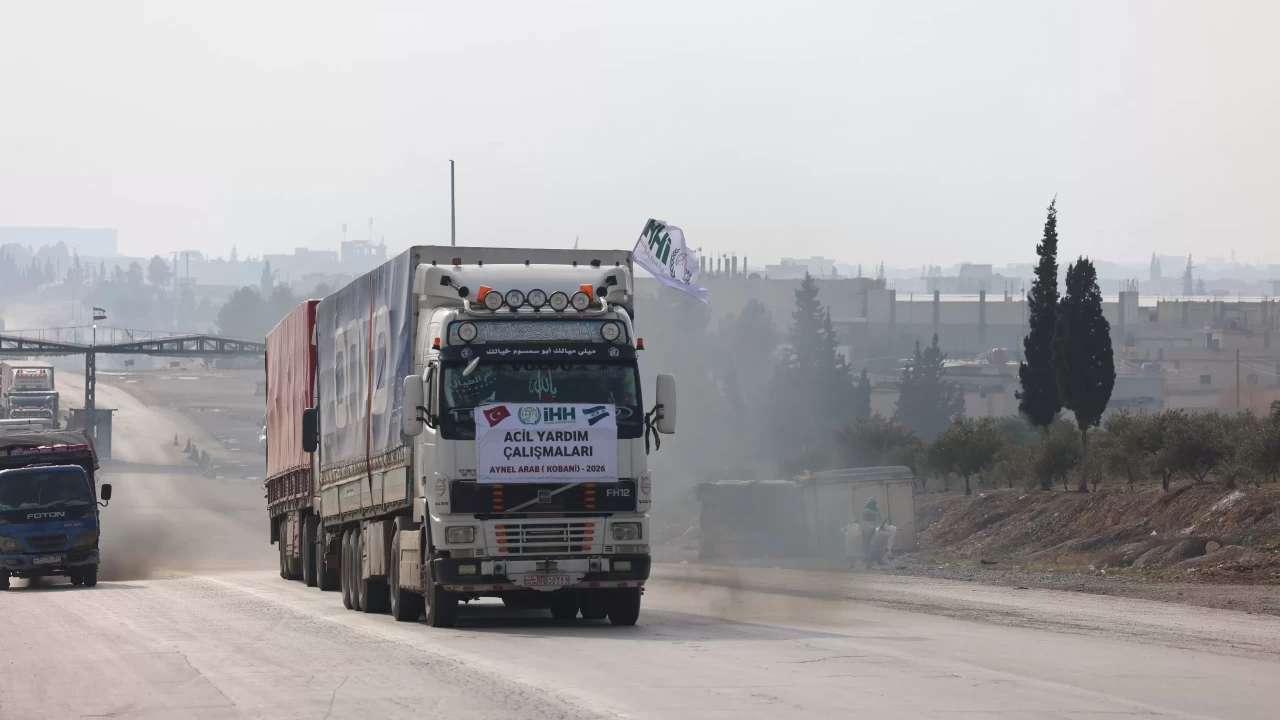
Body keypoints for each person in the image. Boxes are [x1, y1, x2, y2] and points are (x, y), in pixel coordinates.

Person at [857, 498, 884, 569]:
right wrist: (870, 528)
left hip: (875, 532)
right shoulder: (864, 512)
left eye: (874, 504)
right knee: (866, 547)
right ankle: (867, 562)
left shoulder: (876, 513)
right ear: (869, 504)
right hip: (866, 532)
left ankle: (878, 559)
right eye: (872, 504)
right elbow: (861, 521)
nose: (873, 505)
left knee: (878, 546)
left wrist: (879, 527)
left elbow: (879, 522)